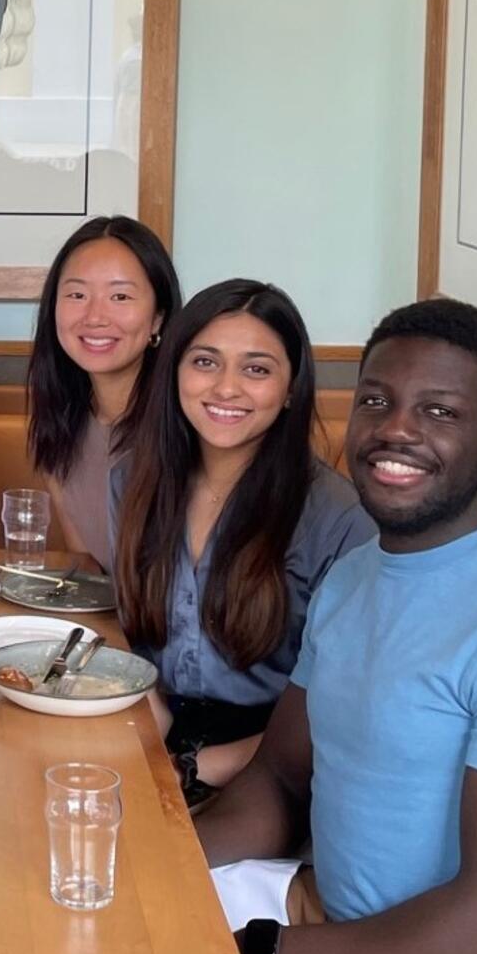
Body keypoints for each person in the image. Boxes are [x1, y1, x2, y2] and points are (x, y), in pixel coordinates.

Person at [196, 298, 477, 954]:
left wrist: (259, 953)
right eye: (377, 399)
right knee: (84, 911)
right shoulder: (354, 576)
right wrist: (159, 857)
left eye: (439, 411)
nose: (395, 429)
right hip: (338, 923)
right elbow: (280, 780)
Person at [108, 280, 373, 801]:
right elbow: (136, 641)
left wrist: (190, 770)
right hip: (155, 729)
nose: (226, 388)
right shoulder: (132, 480)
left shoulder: (339, 518)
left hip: (276, 765)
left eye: (256, 369)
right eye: (205, 362)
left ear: (291, 387)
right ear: (175, 372)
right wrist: (151, 744)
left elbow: (345, 709)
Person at [26, 215, 183, 570]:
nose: (95, 316)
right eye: (77, 295)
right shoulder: (61, 421)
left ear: (158, 317)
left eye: (120, 296)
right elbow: (90, 574)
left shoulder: (188, 426)